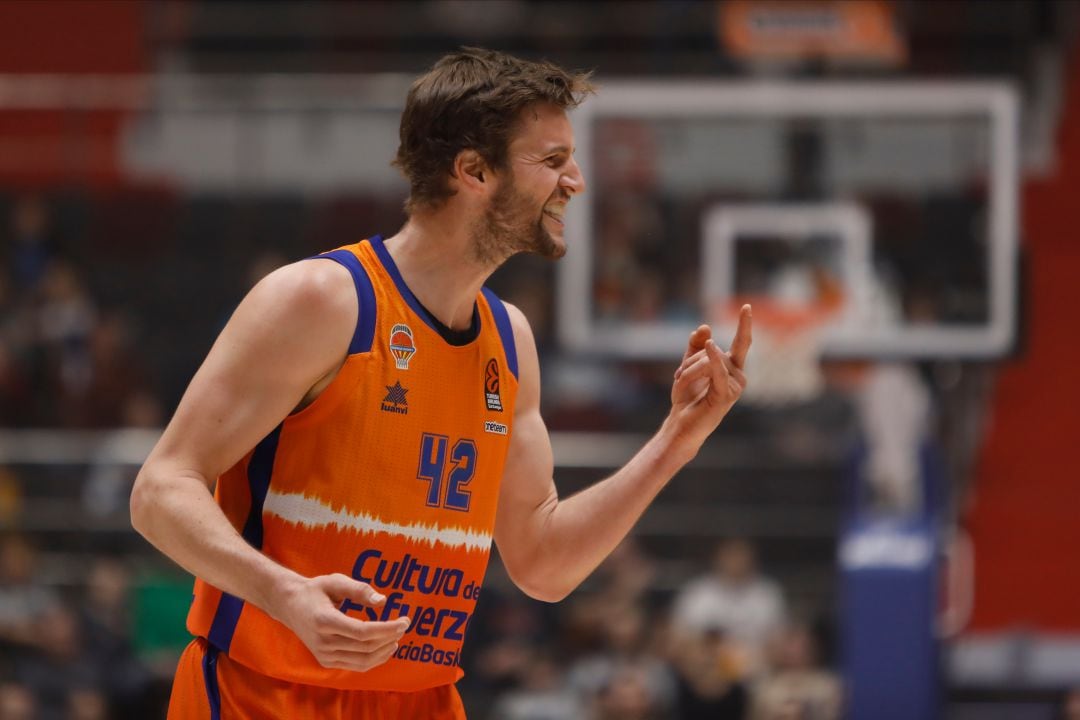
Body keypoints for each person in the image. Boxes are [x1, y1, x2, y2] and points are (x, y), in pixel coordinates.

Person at [130, 47, 752, 719]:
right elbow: (160, 491)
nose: (575, 180)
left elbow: (542, 564)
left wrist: (675, 441)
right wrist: (282, 593)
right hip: (266, 695)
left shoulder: (510, 341)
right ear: (473, 171)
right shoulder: (322, 301)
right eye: (551, 161)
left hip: (420, 701)